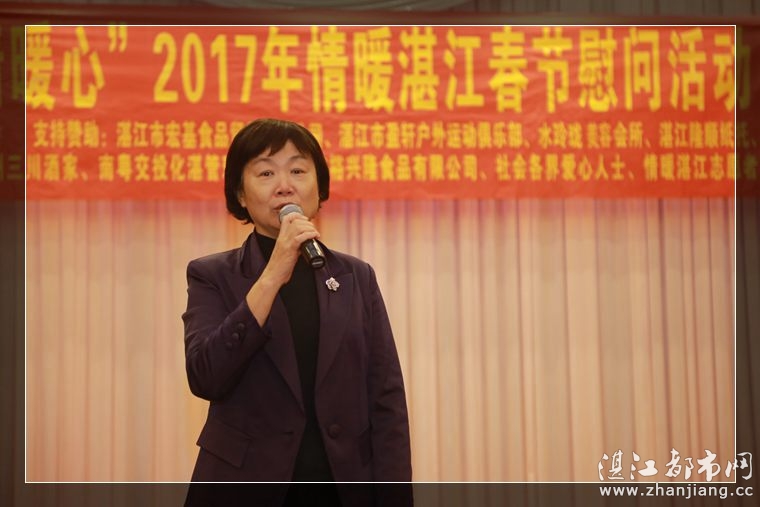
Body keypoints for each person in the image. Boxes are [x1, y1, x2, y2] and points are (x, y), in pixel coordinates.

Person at [181, 118, 412, 506]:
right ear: (240, 194)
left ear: (319, 189)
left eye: (298, 170)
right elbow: (206, 376)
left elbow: (386, 398)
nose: (284, 185)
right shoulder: (212, 275)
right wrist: (273, 274)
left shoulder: (355, 276)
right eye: (266, 172)